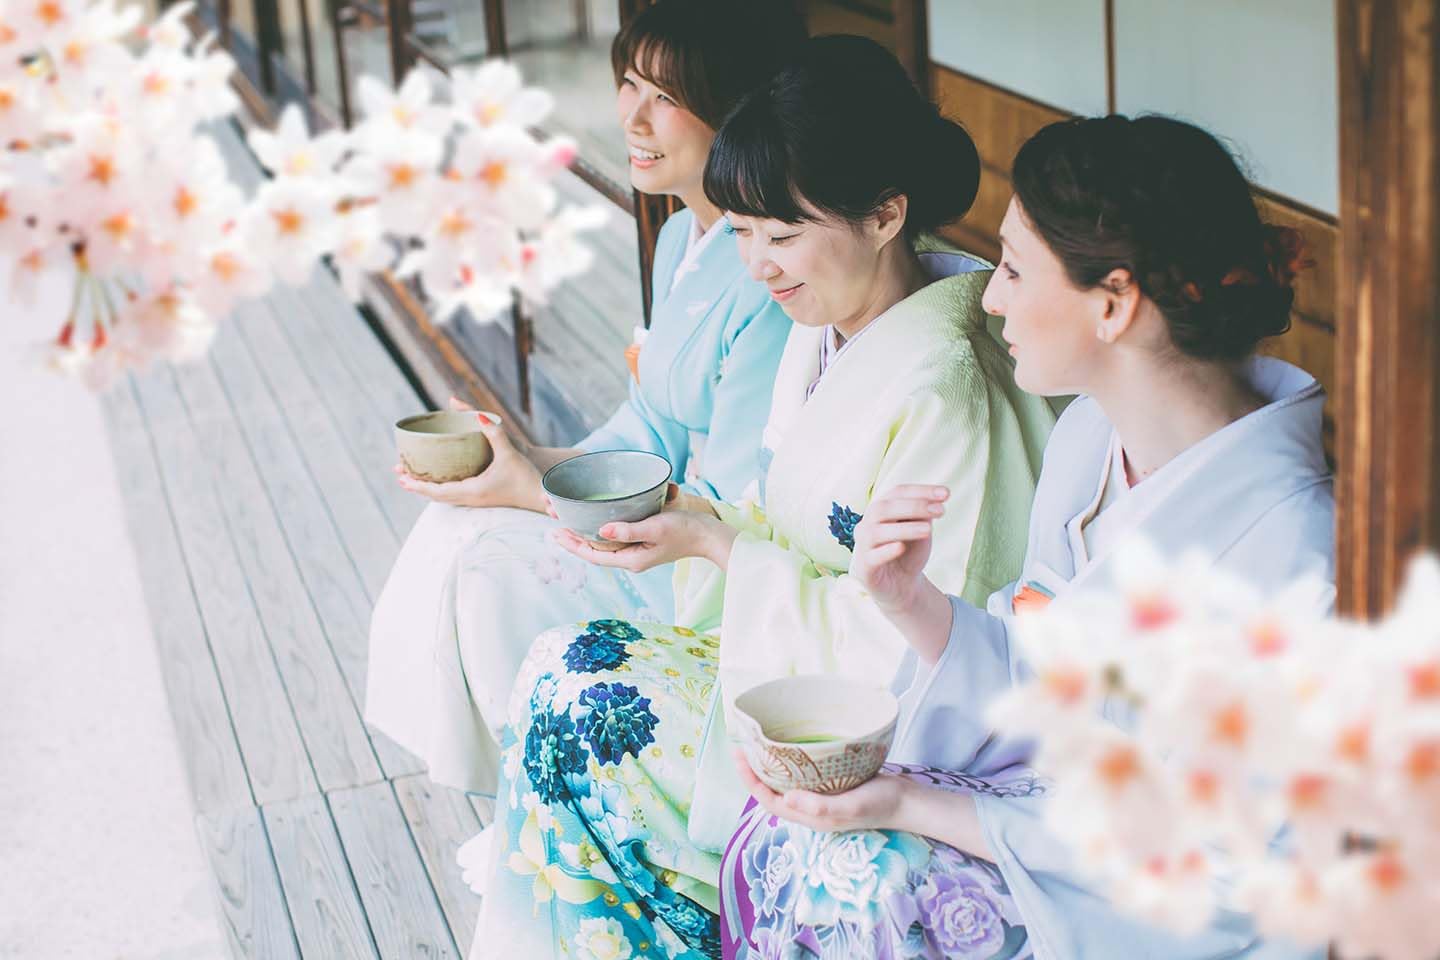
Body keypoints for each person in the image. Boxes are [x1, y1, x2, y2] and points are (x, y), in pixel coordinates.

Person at [470, 35, 1057, 959]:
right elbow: (785, 527)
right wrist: (694, 528)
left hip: (874, 733)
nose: (760, 266)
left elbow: (914, 645)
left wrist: (718, 550)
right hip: (782, 659)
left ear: (884, 216)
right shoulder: (827, 326)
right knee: (555, 665)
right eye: (743, 232)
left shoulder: (946, 386)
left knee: (576, 709)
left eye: (784, 235)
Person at [724, 114, 1334, 960]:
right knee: (791, 821)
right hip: (1050, 812)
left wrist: (917, 808)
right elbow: (1045, 665)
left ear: (1113, 302)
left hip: (1143, 903)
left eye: (1012, 266)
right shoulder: (1092, 436)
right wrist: (916, 605)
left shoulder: (1293, 547)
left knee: (862, 876)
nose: (992, 294)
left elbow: (1232, 875)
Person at [364, 0, 806, 793]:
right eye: (630, 82)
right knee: (460, 517)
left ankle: (545, 797)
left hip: (696, 563)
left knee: (490, 563)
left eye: (667, 97)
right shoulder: (680, 238)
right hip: (650, 508)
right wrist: (526, 458)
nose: (633, 115)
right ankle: (522, 792)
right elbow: (647, 422)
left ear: (736, 109)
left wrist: (535, 492)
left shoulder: (772, 273)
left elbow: (731, 499)